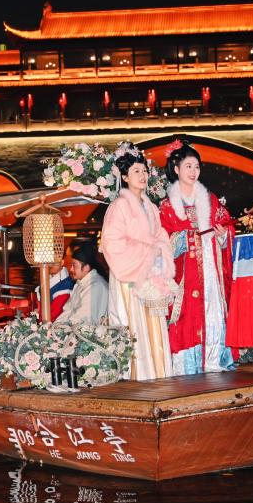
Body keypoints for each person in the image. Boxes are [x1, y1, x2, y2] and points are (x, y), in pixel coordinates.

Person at [159, 139, 236, 374]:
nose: (193, 172)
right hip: (187, 273)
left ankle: (214, 359)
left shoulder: (210, 199)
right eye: (188, 167)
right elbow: (162, 240)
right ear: (176, 169)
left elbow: (226, 224)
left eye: (196, 167)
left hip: (211, 268)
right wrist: (184, 237)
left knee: (213, 309)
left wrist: (222, 236)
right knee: (188, 314)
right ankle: (188, 364)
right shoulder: (167, 206)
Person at [100, 146, 174, 381]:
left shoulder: (151, 206)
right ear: (124, 177)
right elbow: (112, 242)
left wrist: (160, 251)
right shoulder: (119, 206)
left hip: (151, 270)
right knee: (135, 322)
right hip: (130, 273)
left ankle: (159, 371)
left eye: (144, 171)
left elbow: (160, 234)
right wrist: (145, 252)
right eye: (136, 171)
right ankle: (138, 374)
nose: (142, 176)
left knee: (154, 321)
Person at [55, 240, 108, 325]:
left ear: (86, 267)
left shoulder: (96, 286)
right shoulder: (80, 283)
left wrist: (61, 328)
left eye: (74, 265)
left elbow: (83, 319)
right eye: (71, 265)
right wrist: (55, 326)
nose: (71, 269)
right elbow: (67, 311)